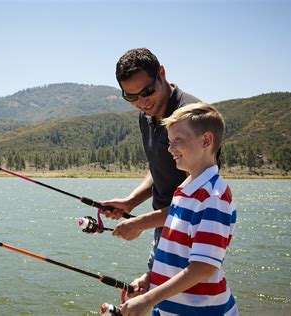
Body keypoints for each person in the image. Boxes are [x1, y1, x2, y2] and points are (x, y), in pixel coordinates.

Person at [120, 103, 238, 315]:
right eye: (170, 141)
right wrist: (151, 279)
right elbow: (177, 255)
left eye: (178, 141)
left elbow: (203, 267)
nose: (170, 148)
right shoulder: (186, 189)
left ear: (206, 140)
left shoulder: (213, 197)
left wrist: (148, 300)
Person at [101, 48, 201, 294]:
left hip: (193, 229)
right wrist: (131, 202)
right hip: (164, 225)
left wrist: (141, 223)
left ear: (162, 74)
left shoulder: (192, 116)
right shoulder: (146, 116)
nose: (143, 102)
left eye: (147, 91)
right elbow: (160, 168)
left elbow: (199, 201)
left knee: (186, 301)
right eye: (131, 97)